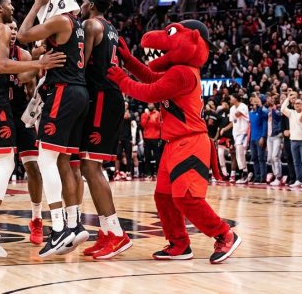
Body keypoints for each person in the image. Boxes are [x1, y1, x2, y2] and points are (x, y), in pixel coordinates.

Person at [107, 20, 241, 264]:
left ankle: (224, 234)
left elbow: (148, 92)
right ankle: (179, 243)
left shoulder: (183, 73)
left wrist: (121, 79)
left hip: (190, 142)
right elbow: (149, 76)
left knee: (186, 198)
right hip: (174, 143)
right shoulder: (178, 70)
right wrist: (128, 61)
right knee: (164, 197)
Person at [0, 0, 64, 257]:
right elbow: (1, 66)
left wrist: (36, 61)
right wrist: (40, 60)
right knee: (6, 163)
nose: (12, 8)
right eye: (8, 4)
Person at [17, 0, 90, 257]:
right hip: (79, 93)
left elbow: (23, 35)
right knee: (64, 162)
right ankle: (74, 223)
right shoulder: (76, 23)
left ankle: (58, 229)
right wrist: (41, 55)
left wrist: (37, 4)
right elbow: (38, 48)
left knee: (45, 159)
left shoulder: (59, 20)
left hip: (63, 93)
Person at [75, 0, 132, 260]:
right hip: (108, 96)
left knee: (90, 165)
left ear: (90, 5)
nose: (80, 7)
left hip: (101, 97)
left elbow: (80, 63)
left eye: (83, 3)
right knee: (90, 166)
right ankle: (107, 231)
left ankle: (117, 233)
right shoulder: (111, 28)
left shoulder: (89, 24)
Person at [6, 20, 44, 245]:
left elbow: (30, 90)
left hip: (21, 114)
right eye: (9, 28)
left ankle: (36, 218)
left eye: (14, 28)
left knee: (33, 166)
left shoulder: (24, 55)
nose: (12, 31)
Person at [281, 92, 302, 187]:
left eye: (299, 103)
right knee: (296, 162)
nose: (297, 105)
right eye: (295, 103)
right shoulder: (291, 113)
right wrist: (288, 98)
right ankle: (299, 179)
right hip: (293, 140)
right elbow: (282, 109)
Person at [228, 94, 250, 184]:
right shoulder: (232, 108)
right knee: (239, 154)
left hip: (244, 132)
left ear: (236, 99)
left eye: (231, 98)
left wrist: (234, 112)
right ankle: (245, 172)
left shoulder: (243, 106)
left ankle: (245, 174)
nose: (230, 99)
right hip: (236, 133)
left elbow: (238, 114)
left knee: (240, 153)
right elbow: (232, 121)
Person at [248, 95, 268, 184]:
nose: (254, 103)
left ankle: (263, 177)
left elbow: (265, 125)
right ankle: (257, 176)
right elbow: (250, 127)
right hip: (252, 138)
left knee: (261, 158)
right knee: (254, 158)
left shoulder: (263, 112)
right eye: (253, 101)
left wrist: (263, 137)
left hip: (260, 138)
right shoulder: (251, 113)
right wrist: (249, 139)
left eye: (256, 101)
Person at [140, 103, 162, 180]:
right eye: (149, 104)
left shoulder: (158, 114)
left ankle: (158, 173)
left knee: (157, 156)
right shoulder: (144, 114)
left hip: (156, 137)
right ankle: (148, 174)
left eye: (151, 104)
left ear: (154, 105)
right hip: (147, 138)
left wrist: (154, 120)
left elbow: (159, 125)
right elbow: (143, 125)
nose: (150, 105)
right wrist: (148, 116)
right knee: (147, 156)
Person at [266, 96, 284, 185]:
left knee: (275, 157)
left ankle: (278, 177)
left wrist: (273, 109)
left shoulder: (278, 110)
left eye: (272, 100)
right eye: (270, 99)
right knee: (270, 158)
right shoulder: (268, 111)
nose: (270, 100)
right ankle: (275, 175)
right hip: (269, 137)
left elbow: (278, 118)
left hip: (277, 136)